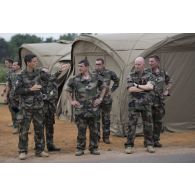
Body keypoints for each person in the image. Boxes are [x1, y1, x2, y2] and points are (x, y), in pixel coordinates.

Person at [65, 58, 107, 156]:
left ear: (87, 67)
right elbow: (67, 90)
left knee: (94, 130)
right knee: (81, 130)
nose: (79, 68)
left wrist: (100, 99)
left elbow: (104, 87)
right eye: (78, 66)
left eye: (81, 66)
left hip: (93, 109)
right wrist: (72, 101)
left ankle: (94, 148)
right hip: (81, 110)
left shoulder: (96, 77)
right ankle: (80, 148)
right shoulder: (75, 79)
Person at [15, 54, 49, 160]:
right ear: (28, 63)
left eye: (36, 61)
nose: (36, 62)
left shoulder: (39, 73)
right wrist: (30, 89)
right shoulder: (21, 75)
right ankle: (22, 151)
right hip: (26, 108)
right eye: (34, 61)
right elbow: (17, 91)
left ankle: (39, 150)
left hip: (38, 107)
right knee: (24, 130)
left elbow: (50, 78)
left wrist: (60, 71)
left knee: (39, 129)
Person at [125, 57, 155, 154]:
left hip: (146, 104)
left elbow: (151, 86)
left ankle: (149, 144)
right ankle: (129, 145)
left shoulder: (149, 75)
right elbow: (130, 89)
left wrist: (137, 86)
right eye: (135, 64)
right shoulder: (130, 75)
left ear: (143, 65)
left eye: (138, 64)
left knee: (148, 125)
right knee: (131, 125)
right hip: (134, 104)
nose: (136, 66)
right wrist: (145, 88)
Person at [40, 64, 69, 152]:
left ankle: (50, 145)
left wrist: (44, 96)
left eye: (46, 72)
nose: (44, 74)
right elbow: (36, 95)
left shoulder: (52, 82)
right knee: (39, 128)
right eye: (42, 72)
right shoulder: (37, 82)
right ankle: (39, 146)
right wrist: (45, 96)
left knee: (50, 128)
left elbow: (54, 95)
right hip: (39, 110)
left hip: (50, 109)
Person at [148, 55, 172, 147]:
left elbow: (170, 82)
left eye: (152, 61)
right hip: (149, 102)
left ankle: (156, 140)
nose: (150, 63)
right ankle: (148, 141)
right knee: (148, 122)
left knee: (158, 122)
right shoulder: (146, 72)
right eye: (149, 61)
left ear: (157, 62)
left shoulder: (163, 73)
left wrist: (167, 90)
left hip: (159, 102)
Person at [94, 58, 120, 144]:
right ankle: (96, 137)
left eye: (99, 64)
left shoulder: (109, 73)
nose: (97, 66)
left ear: (103, 65)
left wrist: (111, 90)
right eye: (96, 64)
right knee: (95, 119)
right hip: (96, 100)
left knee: (106, 119)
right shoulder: (93, 73)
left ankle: (106, 137)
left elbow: (117, 81)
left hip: (106, 100)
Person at [6, 61, 22, 134]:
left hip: (22, 97)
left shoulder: (23, 74)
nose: (13, 66)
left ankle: (24, 127)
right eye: (13, 65)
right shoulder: (11, 75)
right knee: (15, 112)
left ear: (19, 66)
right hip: (13, 97)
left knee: (22, 112)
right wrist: (7, 95)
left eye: (15, 65)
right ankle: (16, 127)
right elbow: (9, 85)